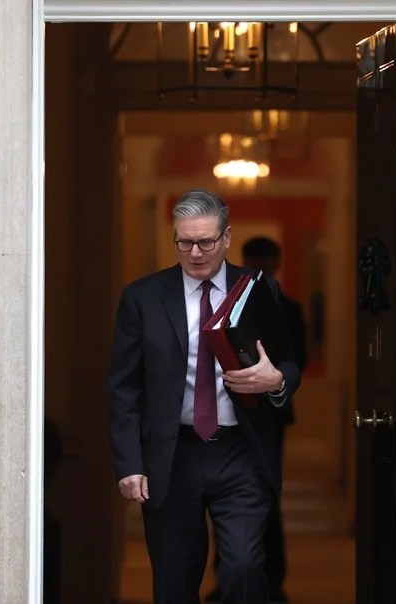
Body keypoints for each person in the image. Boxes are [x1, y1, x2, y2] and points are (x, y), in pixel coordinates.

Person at [108, 188, 302, 604]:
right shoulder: (143, 298)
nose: (195, 253)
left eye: (206, 242)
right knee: (174, 582)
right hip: (171, 456)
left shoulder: (259, 290)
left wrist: (276, 381)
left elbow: (288, 362)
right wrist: (129, 463)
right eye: (184, 243)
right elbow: (124, 387)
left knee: (244, 567)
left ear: (227, 237)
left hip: (241, 452)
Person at [205, 237, 307, 603]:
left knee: (264, 493)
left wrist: (274, 380)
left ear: (278, 263)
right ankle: (228, 579)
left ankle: (273, 578)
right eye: (254, 261)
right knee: (227, 502)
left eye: (267, 262)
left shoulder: (287, 305)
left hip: (268, 415)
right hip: (225, 415)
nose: (261, 268)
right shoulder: (225, 304)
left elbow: (296, 359)